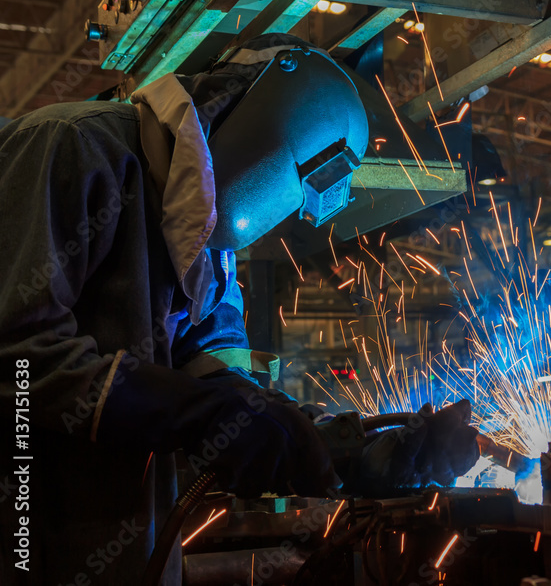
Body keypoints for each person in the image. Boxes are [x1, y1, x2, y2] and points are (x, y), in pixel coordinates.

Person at [0, 33, 478, 585]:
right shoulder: (72, 147)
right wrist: (192, 412)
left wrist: (350, 450)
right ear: (269, 126)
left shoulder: (211, 253)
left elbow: (230, 393)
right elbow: (17, 357)